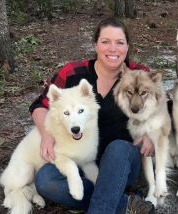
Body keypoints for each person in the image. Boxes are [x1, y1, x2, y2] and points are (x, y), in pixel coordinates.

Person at [29, 17, 155, 214]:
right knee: (46, 180)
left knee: (118, 148)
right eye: (105, 42)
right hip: (79, 157)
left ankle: (104, 205)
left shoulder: (140, 75)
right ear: (95, 45)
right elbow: (40, 105)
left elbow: (165, 109)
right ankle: (125, 204)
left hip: (122, 161)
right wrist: (46, 134)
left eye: (119, 42)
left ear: (127, 47)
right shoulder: (72, 73)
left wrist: (150, 132)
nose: (113, 49)